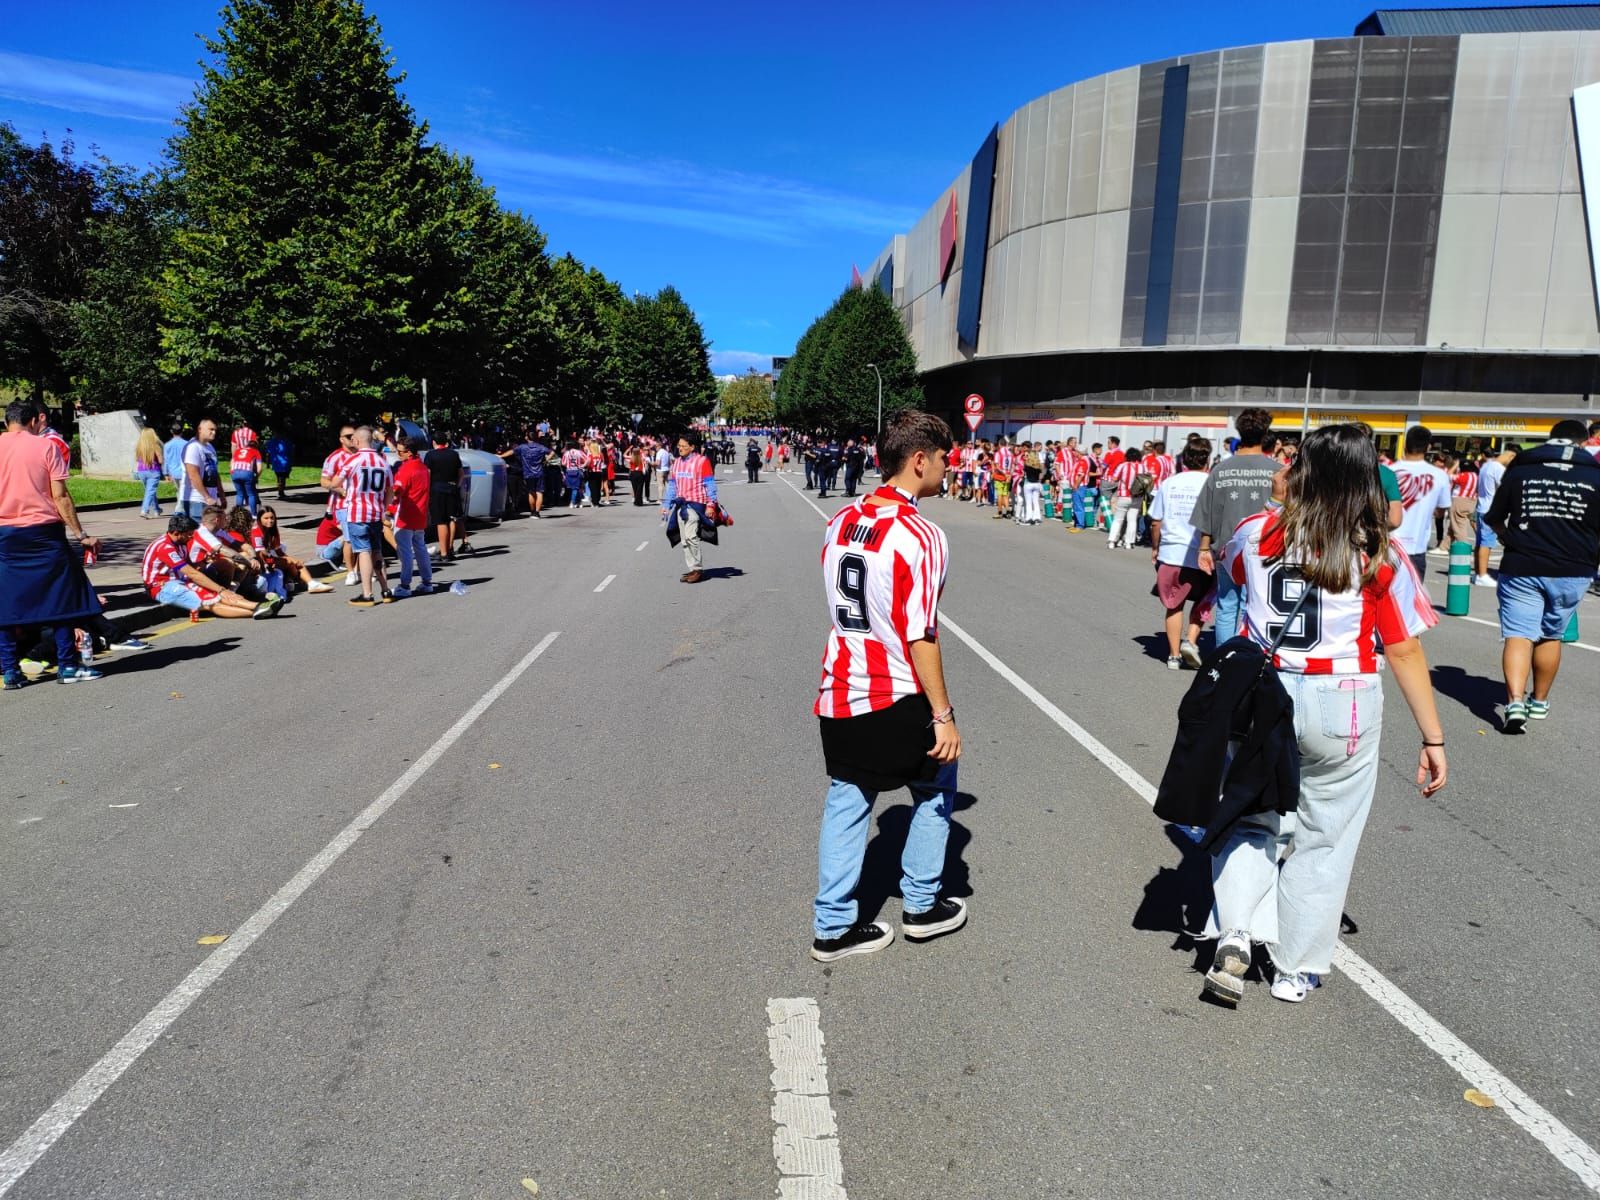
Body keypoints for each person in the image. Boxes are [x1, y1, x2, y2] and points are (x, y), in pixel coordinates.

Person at [1203, 424, 1446, 1007]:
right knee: (1325, 833)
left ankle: (1236, 930)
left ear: (1300, 470)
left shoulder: (1254, 534)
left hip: (1265, 690)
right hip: (1346, 695)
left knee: (1250, 816)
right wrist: (1432, 736)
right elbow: (1405, 647)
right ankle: (1294, 967)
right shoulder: (1378, 555)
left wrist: (1283, 498)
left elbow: (1233, 576)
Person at [810, 409, 965, 962]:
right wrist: (943, 713)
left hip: (840, 683)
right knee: (936, 784)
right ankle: (921, 905)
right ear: (918, 460)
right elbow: (921, 633)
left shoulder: (840, 518)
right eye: (944, 457)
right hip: (895, 689)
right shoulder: (921, 534)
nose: (950, 468)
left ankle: (832, 924)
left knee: (848, 800)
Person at [1482, 420, 1600, 732]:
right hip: (1574, 568)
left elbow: (1493, 517)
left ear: (1550, 438)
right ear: (1584, 441)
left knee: (1519, 634)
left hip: (1522, 563)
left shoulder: (1522, 467)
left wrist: (1509, 537)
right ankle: (1539, 701)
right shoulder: (1595, 473)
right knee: (1551, 634)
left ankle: (1515, 701)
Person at [0, 400, 105, 688]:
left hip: (5, 536)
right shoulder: (46, 447)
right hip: (44, 534)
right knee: (61, 599)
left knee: (7, 603)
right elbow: (60, 497)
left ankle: (10, 672)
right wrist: (82, 535)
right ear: (34, 421)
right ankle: (68, 667)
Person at [1194, 409, 1279, 643]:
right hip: (1264, 550)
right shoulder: (1277, 472)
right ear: (1265, 434)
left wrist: (1203, 548)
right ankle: (1247, 660)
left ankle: (1224, 659)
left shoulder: (1220, 470)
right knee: (1251, 607)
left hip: (1226, 548)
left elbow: (1207, 512)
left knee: (1226, 606)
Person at [1150, 439, 1215, 670]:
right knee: (1203, 601)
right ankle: (1191, 641)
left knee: (1173, 605)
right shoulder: (1211, 483)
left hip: (1171, 552)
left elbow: (1156, 521)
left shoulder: (1170, 483)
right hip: (1203, 553)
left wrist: (1155, 548)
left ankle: (1174, 656)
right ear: (1207, 459)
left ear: (1184, 460)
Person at [143, 514, 278, 620]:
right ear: (177, 532)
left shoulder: (180, 542)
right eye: (189, 534)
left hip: (180, 580)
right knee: (210, 603)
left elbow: (192, 567)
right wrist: (220, 589)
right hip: (161, 586)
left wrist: (204, 563)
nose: (191, 537)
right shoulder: (165, 547)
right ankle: (254, 612)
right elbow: (192, 574)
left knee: (214, 594)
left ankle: (258, 606)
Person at [337, 426, 395, 606]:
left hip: (357, 513)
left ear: (357, 440)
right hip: (375, 514)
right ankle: (386, 590)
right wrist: (382, 509)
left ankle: (367, 593)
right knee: (377, 552)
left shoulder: (353, 460)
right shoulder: (382, 461)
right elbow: (390, 490)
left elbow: (337, 482)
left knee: (363, 552)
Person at [1389, 424, 1450, 579]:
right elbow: (1441, 510)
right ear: (1428, 447)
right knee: (1413, 599)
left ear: (1405, 444)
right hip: (1416, 548)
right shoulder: (1439, 475)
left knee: (1383, 598)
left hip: (1387, 546)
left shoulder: (1389, 470)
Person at [660, 431, 719, 583]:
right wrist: (666, 504)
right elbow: (672, 485)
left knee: (692, 536)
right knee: (684, 539)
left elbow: (710, 484)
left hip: (696, 504)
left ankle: (698, 569)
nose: (680, 448)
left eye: (684, 446)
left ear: (692, 447)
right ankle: (692, 568)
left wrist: (711, 504)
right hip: (681, 505)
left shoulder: (702, 461)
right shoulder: (677, 462)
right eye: (679, 446)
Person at [391, 436, 435, 597]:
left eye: (400, 452)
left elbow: (396, 491)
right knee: (420, 548)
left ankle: (405, 584)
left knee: (405, 551)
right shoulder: (422, 467)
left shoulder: (406, 469)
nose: (398, 455)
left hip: (406, 514)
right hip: (420, 513)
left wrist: (387, 503)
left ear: (409, 452)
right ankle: (426, 581)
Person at [253, 505, 333, 594]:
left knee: (292, 563)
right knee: (290, 562)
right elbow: (260, 554)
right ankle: (307, 583)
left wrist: (293, 560)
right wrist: (276, 562)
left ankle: (306, 583)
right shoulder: (256, 532)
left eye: (272, 518)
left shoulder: (273, 531)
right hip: (261, 563)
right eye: (266, 518)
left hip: (270, 560)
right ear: (259, 519)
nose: (270, 521)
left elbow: (279, 551)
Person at [1473, 444, 1518, 586]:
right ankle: (1482, 574)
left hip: (1481, 507)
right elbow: (1504, 488)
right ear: (1511, 456)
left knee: (1480, 542)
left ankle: (1478, 572)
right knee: (1487, 543)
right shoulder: (1498, 469)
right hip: (1490, 509)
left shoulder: (1486, 465)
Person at [321, 423, 358, 584]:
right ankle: (351, 571)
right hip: (342, 505)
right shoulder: (334, 457)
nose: (352, 439)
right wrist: (340, 489)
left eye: (354, 436)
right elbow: (324, 481)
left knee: (361, 538)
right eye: (349, 436)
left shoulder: (362, 455)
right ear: (341, 439)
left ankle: (359, 568)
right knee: (349, 539)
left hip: (361, 504)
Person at [424, 432, 467, 557]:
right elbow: (461, 474)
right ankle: (449, 548)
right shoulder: (454, 454)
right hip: (452, 489)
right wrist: (456, 486)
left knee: (440, 522)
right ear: (446, 442)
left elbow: (428, 474)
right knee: (451, 519)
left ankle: (444, 553)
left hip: (437, 490)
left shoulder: (430, 455)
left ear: (433, 442)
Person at [177, 418, 223, 520]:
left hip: (209, 499)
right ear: (200, 429)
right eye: (211, 429)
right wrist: (207, 497)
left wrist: (222, 496)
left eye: (215, 430)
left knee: (210, 532)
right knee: (199, 533)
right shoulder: (193, 447)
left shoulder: (210, 447)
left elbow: (215, 473)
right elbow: (193, 474)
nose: (214, 432)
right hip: (195, 499)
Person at [1106, 447, 1144, 548]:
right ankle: (1129, 542)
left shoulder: (1123, 466)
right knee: (1132, 520)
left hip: (1123, 495)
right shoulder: (1143, 467)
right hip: (1137, 497)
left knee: (1118, 519)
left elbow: (1114, 479)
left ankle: (1112, 541)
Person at [509, 429, 550, 518]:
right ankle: (537, 512)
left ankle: (532, 512)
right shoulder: (540, 447)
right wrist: (546, 460)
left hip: (528, 473)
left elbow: (512, 451)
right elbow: (552, 452)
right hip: (539, 472)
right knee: (539, 492)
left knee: (531, 492)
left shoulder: (522, 447)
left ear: (527, 437)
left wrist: (500, 455)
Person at [229, 426, 263, 516]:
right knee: (251, 494)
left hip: (234, 472)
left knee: (239, 494)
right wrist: (256, 477)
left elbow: (231, 462)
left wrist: (232, 472)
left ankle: (238, 514)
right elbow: (259, 468)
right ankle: (254, 514)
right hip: (247, 472)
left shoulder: (239, 450)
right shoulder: (256, 452)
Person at [134, 427, 165, 518]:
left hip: (141, 471)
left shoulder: (139, 446)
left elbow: (137, 459)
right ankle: (144, 510)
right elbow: (160, 460)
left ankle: (157, 509)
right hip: (153, 471)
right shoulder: (155, 445)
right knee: (150, 491)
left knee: (150, 491)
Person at [265, 430, 294, 499]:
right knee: (282, 478)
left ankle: (280, 490)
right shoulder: (286, 441)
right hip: (285, 463)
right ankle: (281, 491)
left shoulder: (271, 442)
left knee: (279, 477)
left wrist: (267, 463)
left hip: (276, 463)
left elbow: (267, 453)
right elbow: (291, 452)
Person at [560, 441, 589, 511]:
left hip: (569, 471)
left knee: (572, 488)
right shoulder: (579, 452)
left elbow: (563, 463)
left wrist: (568, 465)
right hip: (577, 471)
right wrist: (583, 465)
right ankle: (576, 502)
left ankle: (574, 502)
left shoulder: (566, 453)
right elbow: (588, 459)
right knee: (577, 487)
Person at [163, 424, 189, 493]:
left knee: (179, 491)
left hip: (173, 472)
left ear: (171, 431)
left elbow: (166, 460)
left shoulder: (167, 445)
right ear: (182, 431)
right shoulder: (187, 444)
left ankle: (180, 503)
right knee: (185, 492)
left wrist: (166, 473)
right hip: (186, 472)